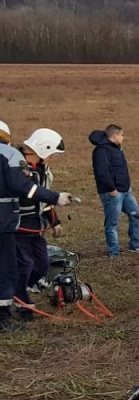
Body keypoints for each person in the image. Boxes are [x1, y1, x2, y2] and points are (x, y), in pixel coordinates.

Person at [2, 127, 74, 326]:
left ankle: (22, 290)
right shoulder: (18, 166)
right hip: (18, 226)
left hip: (36, 227)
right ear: (43, 149)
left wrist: (55, 221)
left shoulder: (42, 170)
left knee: (41, 264)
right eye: (50, 154)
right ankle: (21, 299)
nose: (51, 158)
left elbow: (44, 200)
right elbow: (26, 191)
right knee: (23, 265)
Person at [91, 124, 139, 257]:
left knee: (136, 215)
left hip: (126, 191)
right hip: (113, 193)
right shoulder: (101, 151)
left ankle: (135, 246)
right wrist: (111, 189)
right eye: (121, 135)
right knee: (112, 223)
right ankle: (114, 251)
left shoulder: (117, 148)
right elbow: (102, 172)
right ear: (114, 136)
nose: (123, 138)